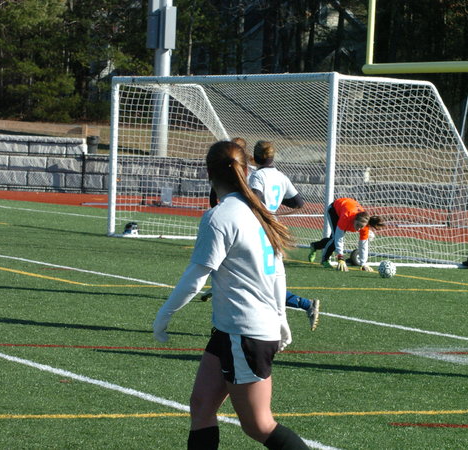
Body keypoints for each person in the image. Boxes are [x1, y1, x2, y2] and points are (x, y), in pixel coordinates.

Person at [153, 140, 309, 449]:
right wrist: (281, 316)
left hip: (245, 331)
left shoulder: (221, 216)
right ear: (246, 171)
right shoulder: (258, 211)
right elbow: (277, 271)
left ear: (208, 173)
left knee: (259, 425)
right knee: (201, 406)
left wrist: (164, 314)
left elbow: (195, 279)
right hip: (232, 329)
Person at [249, 140, 321, 331]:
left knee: (261, 280)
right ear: (272, 157)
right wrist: (275, 206)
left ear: (255, 157)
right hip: (274, 229)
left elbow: (255, 200)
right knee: (270, 278)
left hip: (259, 230)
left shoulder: (257, 176)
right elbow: (298, 203)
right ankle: (305, 305)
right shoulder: (281, 176)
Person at [308, 197, 386, 272]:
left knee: (333, 240)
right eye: (357, 225)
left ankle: (315, 246)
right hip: (334, 210)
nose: (358, 229)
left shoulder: (365, 227)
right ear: (354, 220)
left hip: (346, 208)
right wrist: (340, 258)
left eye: (361, 227)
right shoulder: (346, 217)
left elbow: (363, 245)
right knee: (335, 239)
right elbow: (339, 238)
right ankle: (325, 260)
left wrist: (363, 263)